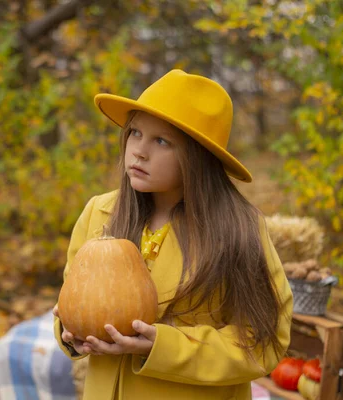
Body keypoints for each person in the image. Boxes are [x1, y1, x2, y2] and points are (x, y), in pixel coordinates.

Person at [52, 69, 293, 400]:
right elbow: (74, 302)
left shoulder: (237, 230)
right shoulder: (99, 214)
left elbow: (264, 342)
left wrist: (162, 347)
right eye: (135, 132)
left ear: (198, 158)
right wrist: (69, 333)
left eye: (162, 141)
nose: (139, 151)